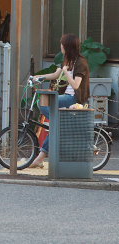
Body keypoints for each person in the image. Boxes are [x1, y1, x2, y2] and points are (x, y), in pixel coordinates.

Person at [30, 33, 90, 168]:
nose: (60, 46)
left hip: (74, 98)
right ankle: (40, 157)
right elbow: (56, 75)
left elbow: (75, 85)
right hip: (67, 97)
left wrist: (67, 72)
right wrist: (38, 77)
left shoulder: (81, 63)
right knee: (48, 111)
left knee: (44, 105)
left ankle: (41, 155)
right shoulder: (68, 59)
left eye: (62, 44)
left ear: (67, 46)